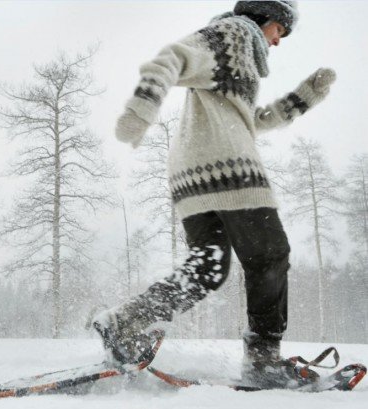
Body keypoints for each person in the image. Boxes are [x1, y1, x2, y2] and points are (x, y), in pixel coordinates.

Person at [93, 0, 336, 389]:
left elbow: (249, 121)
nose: (278, 42)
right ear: (266, 18)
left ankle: (128, 321)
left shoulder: (235, 58)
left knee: (207, 267)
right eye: (280, 31)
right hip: (230, 169)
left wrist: (301, 99)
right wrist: (141, 111)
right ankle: (263, 360)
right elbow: (171, 58)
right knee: (269, 254)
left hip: (192, 174)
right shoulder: (235, 34)